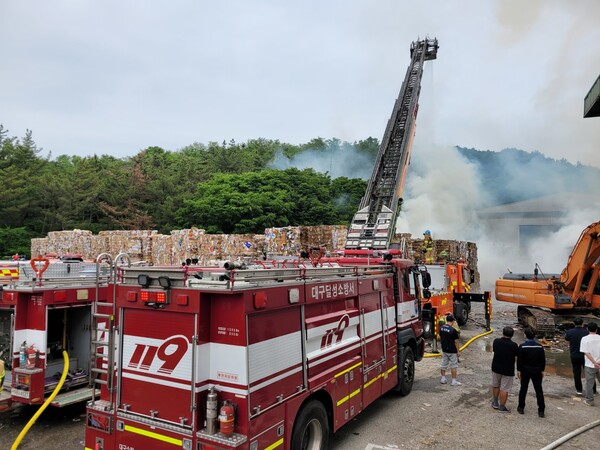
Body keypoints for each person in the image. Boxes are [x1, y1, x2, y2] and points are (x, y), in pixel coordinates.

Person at [517, 327, 546, 417]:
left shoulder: (522, 346)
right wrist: (542, 370)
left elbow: (519, 360)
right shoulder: (540, 347)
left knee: (523, 388)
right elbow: (543, 360)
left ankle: (521, 407)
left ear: (525, 335)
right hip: (537, 370)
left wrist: (519, 370)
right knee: (539, 390)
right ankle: (541, 410)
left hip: (525, 370)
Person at [491, 326, 519, 412]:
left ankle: (495, 402)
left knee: (496, 385)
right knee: (504, 389)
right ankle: (502, 407)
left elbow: (495, 350)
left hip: (496, 367)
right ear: (512, 335)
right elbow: (516, 357)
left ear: (503, 333)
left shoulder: (496, 341)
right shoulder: (514, 345)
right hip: (508, 369)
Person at [565, 318, 595, 395]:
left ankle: (579, 390)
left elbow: (567, 340)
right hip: (586, 355)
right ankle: (593, 390)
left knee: (576, 373)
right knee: (590, 373)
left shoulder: (570, 332)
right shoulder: (587, 332)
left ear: (574, 324)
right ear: (582, 324)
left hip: (575, 355)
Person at [580, 321, 600, 407]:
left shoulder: (585, 339)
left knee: (589, 383)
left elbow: (586, 353)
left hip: (590, 365)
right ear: (597, 329)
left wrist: (594, 362)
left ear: (587, 329)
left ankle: (589, 400)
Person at [439, 314, 461, 386]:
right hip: (452, 350)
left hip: (444, 349)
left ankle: (443, 379)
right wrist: (458, 351)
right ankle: (453, 381)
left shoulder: (441, 328)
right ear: (453, 321)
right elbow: (456, 341)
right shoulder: (453, 330)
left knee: (443, 364)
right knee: (453, 366)